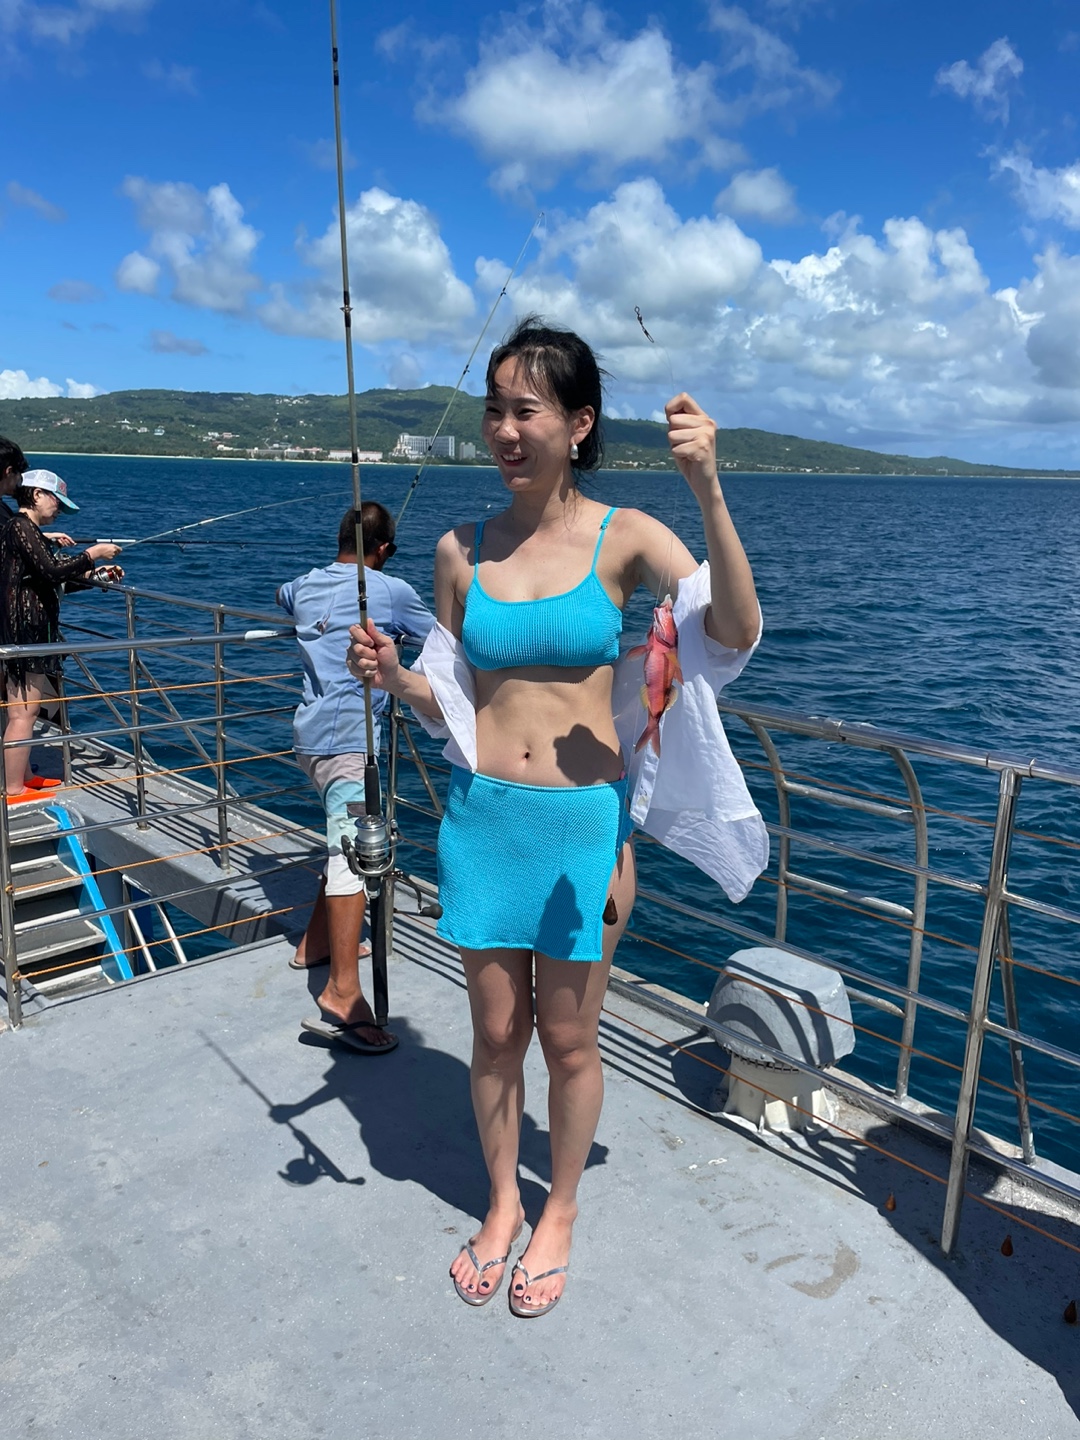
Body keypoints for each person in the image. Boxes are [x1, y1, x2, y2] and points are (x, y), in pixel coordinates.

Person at [347, 317, 767, 1317]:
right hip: (483, 820)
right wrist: (394, 676)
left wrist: (709, 489)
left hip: (583, 828)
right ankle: (503, 1204)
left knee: (571, 1043)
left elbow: (734, 629)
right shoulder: (459, 549)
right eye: (494, 410)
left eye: (525, 410)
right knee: (496, 1036)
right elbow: (452, 695)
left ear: (578, 424)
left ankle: (560, 1210)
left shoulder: (629, 536)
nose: (504, 429)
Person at [277, 501, 435, 1053]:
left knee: (340, 844)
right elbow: (443, 638)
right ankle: (342, 992)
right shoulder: (391, 590)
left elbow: (283, 596)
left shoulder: (303, 585)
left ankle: (314, 946)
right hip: (349, 746)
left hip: (309, 739)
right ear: (384, 549)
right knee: (352, 856)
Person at [0, 470, 121, 801]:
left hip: (29, 631)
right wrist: (93, 553)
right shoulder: (21, 527)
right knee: (23, 713)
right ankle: (13, 789)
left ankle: (25, 775)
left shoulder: (25, 530)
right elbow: (51, 571)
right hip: (24, 633)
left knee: (24, 712)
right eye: (57, 501)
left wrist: (94, 575)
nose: (59, 510)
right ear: (37, 494)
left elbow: (45, 578)